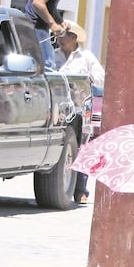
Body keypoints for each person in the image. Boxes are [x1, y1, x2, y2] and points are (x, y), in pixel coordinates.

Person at [54, 22, 105, 204]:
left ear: (73, 38)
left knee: (83, 148)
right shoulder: (54, 56)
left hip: (81, 110)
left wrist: (87, 79)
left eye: (63, 35)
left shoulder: (87, 57)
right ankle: (62, 187)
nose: (59, 39)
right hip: (60, 110)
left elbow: (100, 77)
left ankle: (81, 190)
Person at [25, 0, 89, 68]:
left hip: (38, 29)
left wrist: (60, 22)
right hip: (36, 27)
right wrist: (53, 24)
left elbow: (50, 8)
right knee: (48, 65)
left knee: (40, 66)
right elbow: (38, 2)